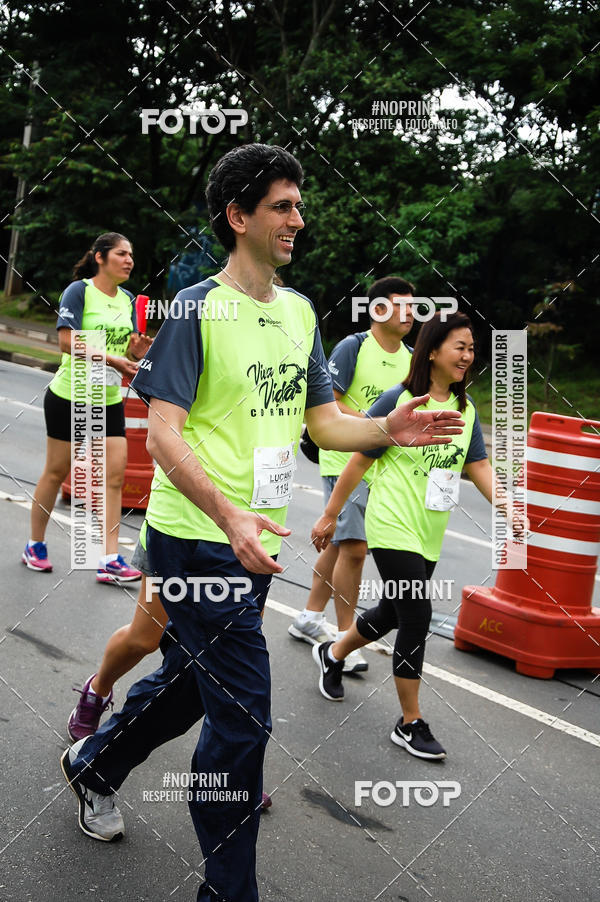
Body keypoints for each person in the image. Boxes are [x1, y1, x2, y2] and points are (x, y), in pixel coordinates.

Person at [60, 144, 463, 902]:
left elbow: (324, 423)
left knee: (189, 688)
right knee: (243, 714)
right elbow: (163, 432)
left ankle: (95, 764)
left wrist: (383, 432)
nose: (298, 220)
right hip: (196, 536)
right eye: (282, 206)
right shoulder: (195, 309)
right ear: (238, 216)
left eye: (299, 206)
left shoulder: (301, 312)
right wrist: (227, 512)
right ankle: (228, 890)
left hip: (256, 543)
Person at [311, 312, 522, 760]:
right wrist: (330, 515)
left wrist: (506, 505)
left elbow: (477, 465)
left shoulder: (466, 411)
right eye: (459, 347)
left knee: (392, 609)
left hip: (429, 529)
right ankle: (410, 722)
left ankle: (333, 652)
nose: (467, 355)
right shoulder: (400, 399)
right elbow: (359, 461)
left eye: (471, 348)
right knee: (417, 614)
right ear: (431, 351)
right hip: (391, 524)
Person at [66, 522, 273, 810]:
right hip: (180, 535)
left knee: (227, 662)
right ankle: (97, 690)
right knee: (143, 639)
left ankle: (231, 777)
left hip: (252, 547)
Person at [289, 276, 415, 675]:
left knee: (342, 545)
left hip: (386, 465)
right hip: (344, 459)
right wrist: (382, 425)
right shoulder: (353, 347)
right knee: (356, 549)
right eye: (402, 305)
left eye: (414, 307)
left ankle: (310, 617)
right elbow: (332, 406)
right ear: (378, 310)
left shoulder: (413, 357)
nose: (411, 313)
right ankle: (346, 637)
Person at [22, 232, 149, 582]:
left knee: (115, 477)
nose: (129, 261)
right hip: (70, 395)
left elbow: (126, 353)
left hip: (108, 400)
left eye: (131, 255)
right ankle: (35, 543)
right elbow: (66, 340)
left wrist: (135, 352)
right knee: (56, 471)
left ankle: (109, 559)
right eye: (121, 254)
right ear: (100, 257)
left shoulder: (128, 300)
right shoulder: (79, 291)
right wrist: (114, 359)